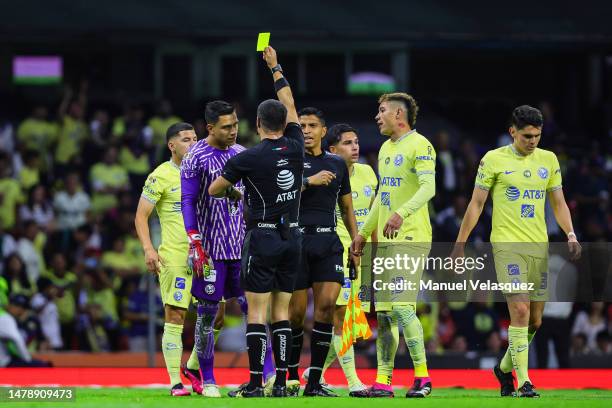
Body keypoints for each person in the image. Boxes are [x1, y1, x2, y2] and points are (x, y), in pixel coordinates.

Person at [451, 105, 581, 397]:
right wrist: (460, 242)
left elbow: (558, 203)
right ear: (512, 132)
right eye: (526, 136)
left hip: (539, 247)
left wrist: (570, 233)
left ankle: (503, 369)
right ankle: (524, 381)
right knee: (520, 310)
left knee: (535, 321)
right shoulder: (493, 160)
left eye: (537, 135)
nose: (532, 141)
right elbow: (476, 204)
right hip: (507, 246)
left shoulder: (548, 160)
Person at [208, 45, 303, 398]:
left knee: (257, 313)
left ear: (259, 125)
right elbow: (290, 103)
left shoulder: (248, 157)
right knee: (282, 313)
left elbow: (217, 189)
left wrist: (239, 192)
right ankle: (280, 383)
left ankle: (252, 383)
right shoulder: (296, 145)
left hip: (262, 238)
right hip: (293, 238)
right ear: (285, 124)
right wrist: (275, 67)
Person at [180, 100, 269, 397]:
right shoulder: (195, 157)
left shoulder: (242, 154)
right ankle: (207, 380)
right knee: (207, 316)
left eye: (235, 124)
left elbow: (254, 199)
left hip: (240, 248)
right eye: (226, 127)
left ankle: (266, 373)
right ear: (210, 128)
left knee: (251, 309)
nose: (234, 131)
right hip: (210, 250)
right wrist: (194, 239)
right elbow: (188, 201)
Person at [353, 92, 436, 398]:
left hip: (412, 237)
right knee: (386, 314)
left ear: (399, 114)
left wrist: (402, 214)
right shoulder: (386, 148)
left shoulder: (421, 145)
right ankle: (383, 381)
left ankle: (423, 378)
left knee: (402, 307)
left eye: (382, 110)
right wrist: (362, 233)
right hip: (386, 242)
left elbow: (429, 187)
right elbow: (382, 198)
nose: (377, 116)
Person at [286, 111, 360, 398]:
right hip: (297, 241)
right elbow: (279, 194)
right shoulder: (290, 163)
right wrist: (309, 181)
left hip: (328, 240)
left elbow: (347, 208)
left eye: (312, 126)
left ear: (322, 130)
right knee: (294, 315)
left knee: (327, 308)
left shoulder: (337, 163)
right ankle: (292, 376)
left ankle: (314, 381)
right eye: (301, 126)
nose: (306, 130)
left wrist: (355, 244)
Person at [134, 122, 200, 396]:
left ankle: (193, 365)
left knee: (217, 317)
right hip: (174, 254)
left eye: (195, 138)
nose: (193, 143)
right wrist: (149, 249)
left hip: (207, 254)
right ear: (172, 145)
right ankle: (175, 381)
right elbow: (140, 216)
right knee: (176, 315)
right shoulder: (160, 175)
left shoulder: (206, 171)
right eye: (186, 139)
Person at [315, 123, 377, 396]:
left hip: (362, 254)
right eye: (348, 143)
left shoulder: (368, 173)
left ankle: (314, 373)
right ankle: (354, 383)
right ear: (332, 149)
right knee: (341, 317)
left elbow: (375, 213)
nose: (355, 147)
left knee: (353, 317)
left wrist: (376, 250)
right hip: (339, 251)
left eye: (356, 142)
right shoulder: (328, 175)